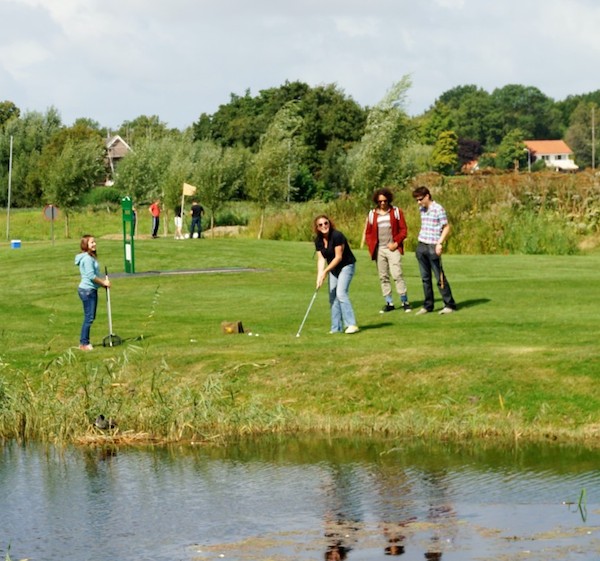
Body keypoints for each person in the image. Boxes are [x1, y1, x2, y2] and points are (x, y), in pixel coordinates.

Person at [364, 187, 412, 314]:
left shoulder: (396, 212)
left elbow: (403, 230)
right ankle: (389, 302)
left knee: (397, 274)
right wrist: (372, 245)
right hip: (379, 250)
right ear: (377, 202)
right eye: (380, 201)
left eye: (385, 201)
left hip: (392, 249)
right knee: (383, 276)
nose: (383, 203)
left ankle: (404, 301)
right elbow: (368, 233)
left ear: (388, 200)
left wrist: (396, 243)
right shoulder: (372, 214)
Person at [412, 186, 457, 315]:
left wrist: (440, 243)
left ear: (427, 196)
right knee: (425, 278)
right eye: (417, 200)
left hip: (433, 245)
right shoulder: (422, 209)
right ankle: (428, 305)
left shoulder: (438, 209)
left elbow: (446, 227)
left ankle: (449, 304)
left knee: (439, 277)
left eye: (420, 199)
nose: (419, 202)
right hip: (422, 244)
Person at [314, 214, 359, 334]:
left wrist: (325, 271)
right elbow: (321, 259)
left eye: (326, 223)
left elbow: (338, 257)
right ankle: (336, 328)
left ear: (329, 223)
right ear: (317, 228)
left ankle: (351, 324)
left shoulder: (337, 236)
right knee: (333, 296)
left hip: (346, 265)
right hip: (333, 269)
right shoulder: (318, 240)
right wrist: (319, 276)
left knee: (341, 293)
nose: (324, 226)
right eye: (320, 225)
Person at [75, 235, 111, 351]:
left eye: (94, 242)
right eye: (91, 243)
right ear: (86, 245)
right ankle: (84, 343)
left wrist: (102, 285)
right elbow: (91, 276)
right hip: (87, 291)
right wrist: (103, 283)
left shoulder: (90, 257)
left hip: (90, 290)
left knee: (90, 316)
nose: (94, 244)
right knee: (89, 317)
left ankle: (84, 342)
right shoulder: (87, 259)